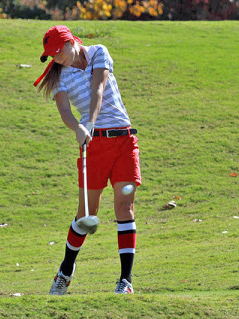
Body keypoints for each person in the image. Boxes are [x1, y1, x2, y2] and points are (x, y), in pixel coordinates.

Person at [34, 25, 141, 295]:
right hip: (92, 146)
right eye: (52, 56)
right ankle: (65, 272)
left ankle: (125, 282)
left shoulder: (98, 53)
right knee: (86, 214)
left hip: (124, 140)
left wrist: (90, 122)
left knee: (124, 207)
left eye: (59, 52)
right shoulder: (58, 76)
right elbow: (65, 112)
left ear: (71, 42)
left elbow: (99, 89)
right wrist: (79, 129)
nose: (57, 59)